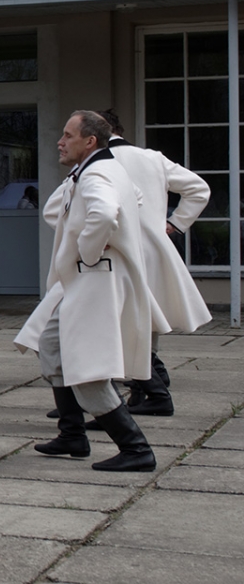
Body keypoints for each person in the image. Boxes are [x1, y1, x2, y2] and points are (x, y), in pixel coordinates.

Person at [14, 110, 159, 472]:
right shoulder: (102, 169)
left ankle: (136, 448)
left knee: (87, 367)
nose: (60, 142)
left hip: (94, 280)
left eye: (68, 135)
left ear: (90, 141)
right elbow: (134, 199)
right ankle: (72, 434)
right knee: (51, 343)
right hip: (84, 281)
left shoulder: (96, 173)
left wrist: (89, 250)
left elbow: (106, 213)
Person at [98, 109, 212, 416]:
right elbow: (199, 188)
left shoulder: (97, 162)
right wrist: (174, 223)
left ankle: (146, 385)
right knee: (146, 316)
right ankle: (146, 385)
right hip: (152, 248)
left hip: (115, 249)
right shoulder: (152, 158)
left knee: (117, 318)